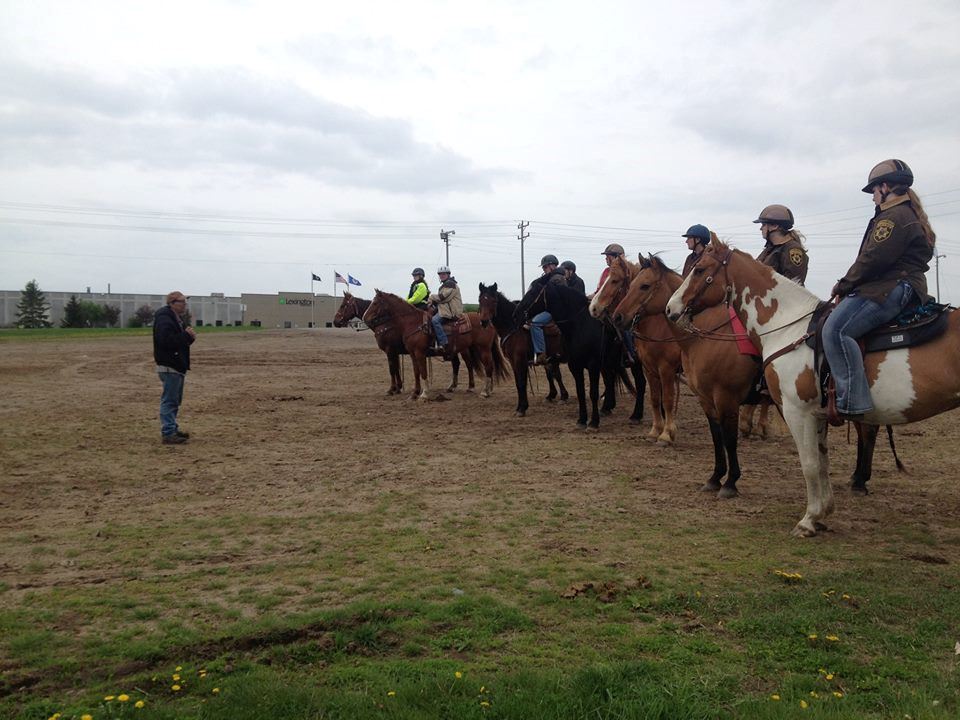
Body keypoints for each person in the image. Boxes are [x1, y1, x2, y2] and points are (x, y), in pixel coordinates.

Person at [823, 159, 935, 419]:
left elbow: (873, 258)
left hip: (891, 286)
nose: (873, 197)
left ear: (885, 187)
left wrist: (844, 284)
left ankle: (852, 401)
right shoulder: (907, 213)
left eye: (873, 190)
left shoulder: (893, 217)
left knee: (836, 329)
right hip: (902, 285)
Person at [153, 291, 197, 445]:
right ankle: (168, 433)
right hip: (170, 365)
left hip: (176, 365)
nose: (185, 304)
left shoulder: (176, 318)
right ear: (172, 303)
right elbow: (166, 341)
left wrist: (189, 338)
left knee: (174, 400)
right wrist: (186, 336)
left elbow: (180, 342)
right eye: (182, 301)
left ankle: (172, 428)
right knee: (170, 401)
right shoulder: (165, 318)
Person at [753, 205, 809, 284]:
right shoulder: (769, 250)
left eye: (763, 225)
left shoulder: (793, 250)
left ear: (775, 226)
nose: (761, 228)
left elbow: (792, 285)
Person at [528, 254, 567, 364]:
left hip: (554, 310)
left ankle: (541, 353)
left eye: (545, 267)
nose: (544, 270)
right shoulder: (551, 277)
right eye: (543, 268)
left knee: (535, 323)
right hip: (549, 309)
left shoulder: (557, 278)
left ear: (552, 266)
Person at [429, 265, 463, 358]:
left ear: (448, 274)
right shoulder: (444, 285)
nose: (442, 276)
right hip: (446, 309)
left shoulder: (450, 284)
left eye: (444, 274)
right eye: (440, 274)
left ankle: (443, 343)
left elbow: (443, 297)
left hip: (452, 312)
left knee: (435, 321)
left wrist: (431, 297)